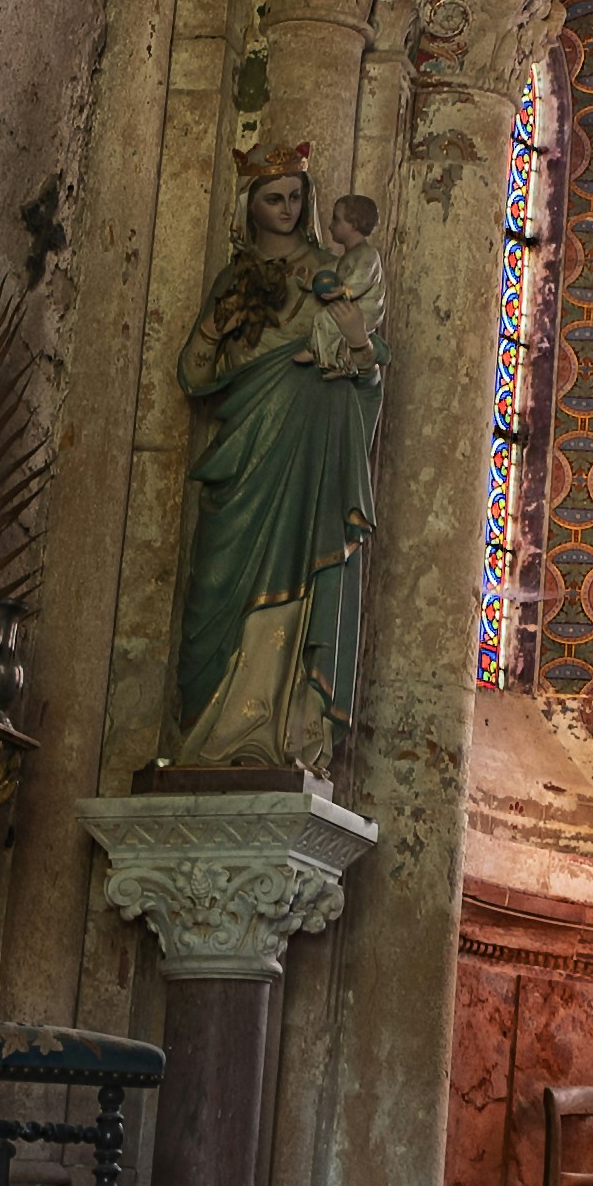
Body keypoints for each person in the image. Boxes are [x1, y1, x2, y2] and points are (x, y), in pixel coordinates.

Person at [165, 158, 385, 773]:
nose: (287, 208)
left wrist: (357, 346)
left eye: (295, 196)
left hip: (308, 454)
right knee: (212, 592)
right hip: (244, 455)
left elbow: (366, 372)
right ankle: (204, 740)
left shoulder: (331, 272)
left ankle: (283, 736)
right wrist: (219, 322)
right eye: (273, 197)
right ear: (249, 207)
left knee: (301, 568)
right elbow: (194, 376)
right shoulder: (234, 281)